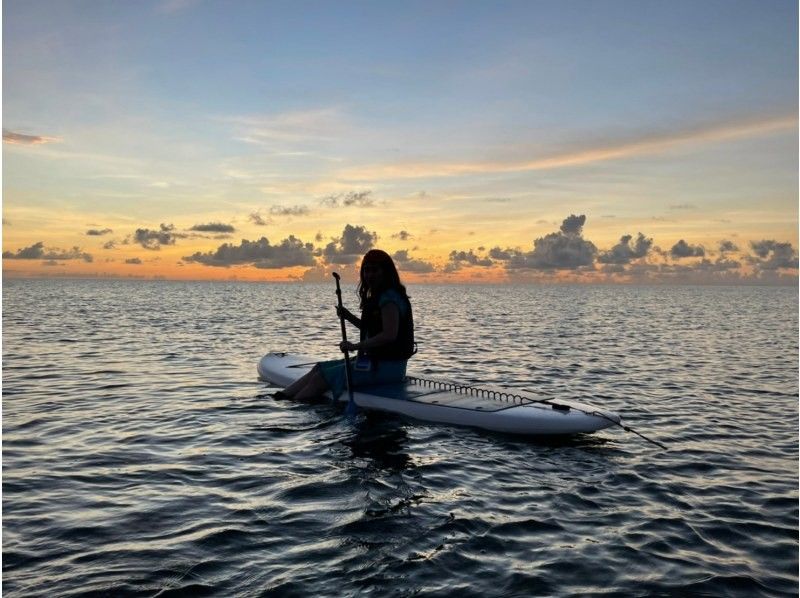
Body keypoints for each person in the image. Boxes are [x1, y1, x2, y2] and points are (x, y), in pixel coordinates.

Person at [275, 249, 415, 401]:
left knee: (320, 379)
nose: (369, 275)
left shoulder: (389, 298)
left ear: (386, 272)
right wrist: (348, 316)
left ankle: (292, 409)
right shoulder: (379, 296)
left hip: (388, 368)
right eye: (366, 270)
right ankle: (280, 397)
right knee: (318, 369)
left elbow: (389, 335)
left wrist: (355, 346)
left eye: (375, 270)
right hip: (375, 362)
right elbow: (371, 330)